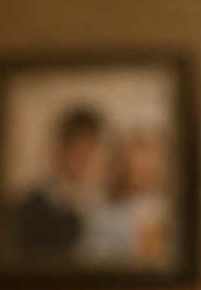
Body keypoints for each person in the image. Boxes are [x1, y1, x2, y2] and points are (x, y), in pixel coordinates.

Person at [10, 105, 107, 258]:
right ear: (60, 150)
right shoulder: (32, 206)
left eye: (92, 148)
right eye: (79, 148)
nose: (87, 158)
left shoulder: (102, 204)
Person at [83, 129, 173, 270]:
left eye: (148, 161)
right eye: (135, 161)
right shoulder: (104, 216)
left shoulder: (167, 210)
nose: (143, 167)